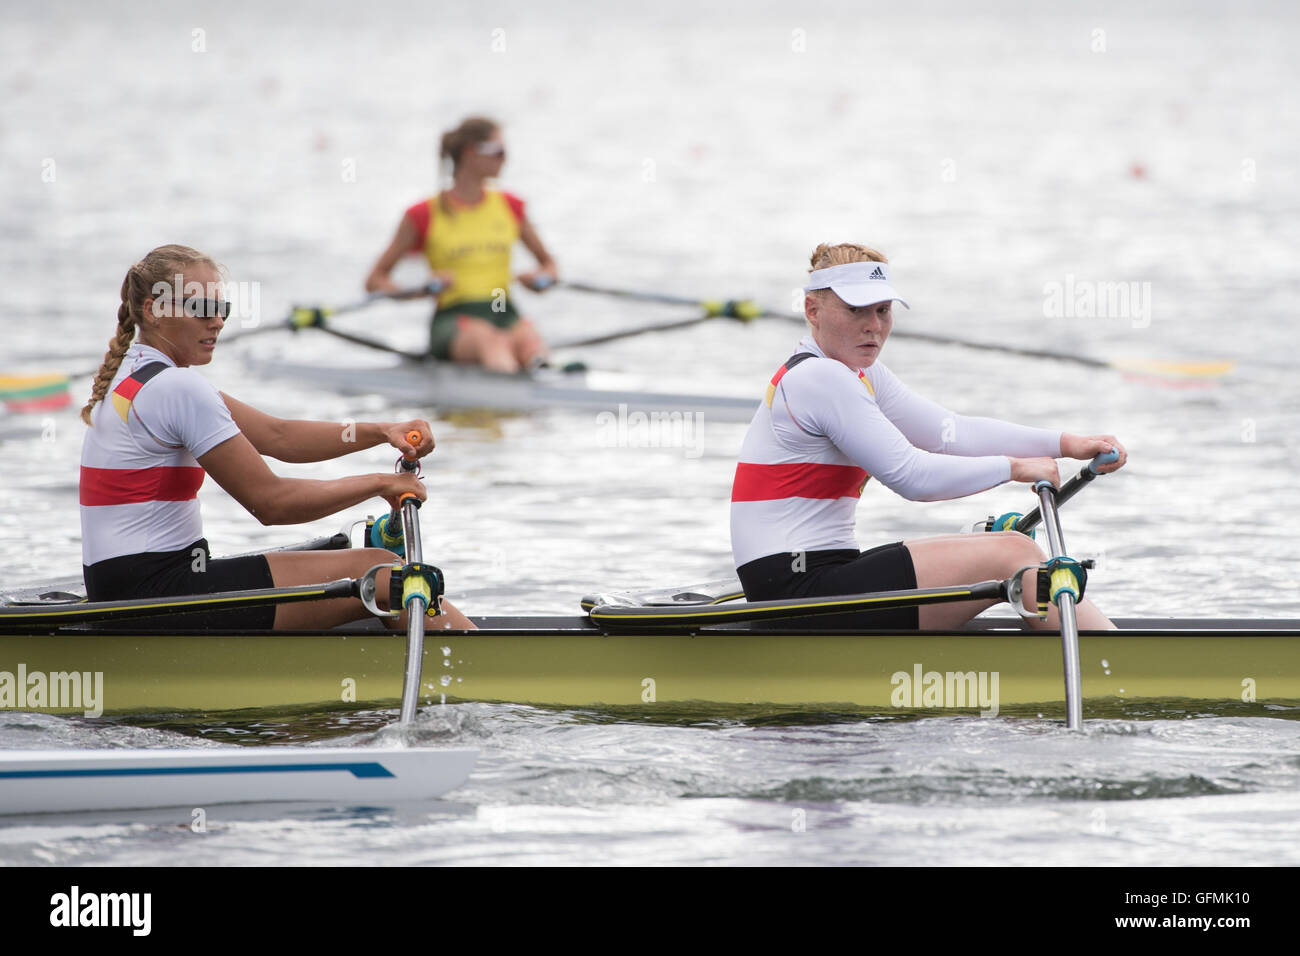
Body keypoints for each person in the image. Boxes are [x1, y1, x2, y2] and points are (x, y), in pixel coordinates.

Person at [730, 242, 1128, 631]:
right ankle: (1116, 664)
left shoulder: (858, 372)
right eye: (855, 310)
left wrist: (1067, 444)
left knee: (1014, 550)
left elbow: (951, 433)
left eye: (883, 310)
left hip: (817, 577)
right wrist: (1015, 468)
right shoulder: (820, 378)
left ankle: (1100, 650)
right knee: (1014, 553)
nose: (874, 326)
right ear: (812, 310)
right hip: (797, 591)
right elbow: (912, 477)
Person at [80, 244, 475, 631]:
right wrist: (381, 483)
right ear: (154, 310)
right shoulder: (179, 388)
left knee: (357, 561)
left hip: (123, 587)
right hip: (158, 594)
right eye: (200, 308)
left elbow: (280, 436)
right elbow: (271, 504)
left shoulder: (133, 377)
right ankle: (479, 665)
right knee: (376, 570)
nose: (216, 321)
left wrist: (381, 431)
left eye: (222, 309)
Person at [365, 116, 558, 372]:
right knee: (489, 341)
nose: (505, 158)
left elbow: (549, 264)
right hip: (454, 319)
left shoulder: (511, 206)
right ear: (470, 153)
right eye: (498, 151)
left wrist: (541, 279)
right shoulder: (423, 214)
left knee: (531, 341)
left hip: (504, 312)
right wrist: (419, 291)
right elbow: (375, 280)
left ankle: (536, 384)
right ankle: (508, 392)